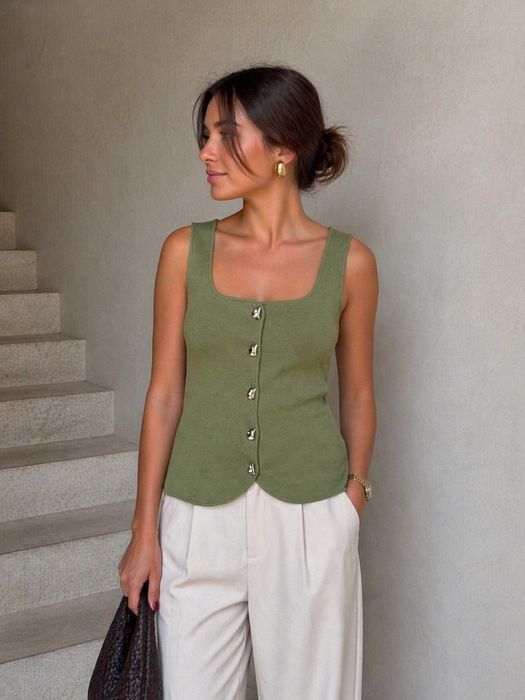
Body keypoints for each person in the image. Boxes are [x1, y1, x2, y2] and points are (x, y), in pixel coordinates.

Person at [117, 63, 378, 699]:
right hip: (195, 518)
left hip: (311, 518)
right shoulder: (183, 251)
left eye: (226, 135)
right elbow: (164, 395)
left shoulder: (351, 263)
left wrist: (353, 497)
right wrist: (144, 530)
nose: (206, 153)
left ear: (284, 147)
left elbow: (358, 392)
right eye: (205, 136)